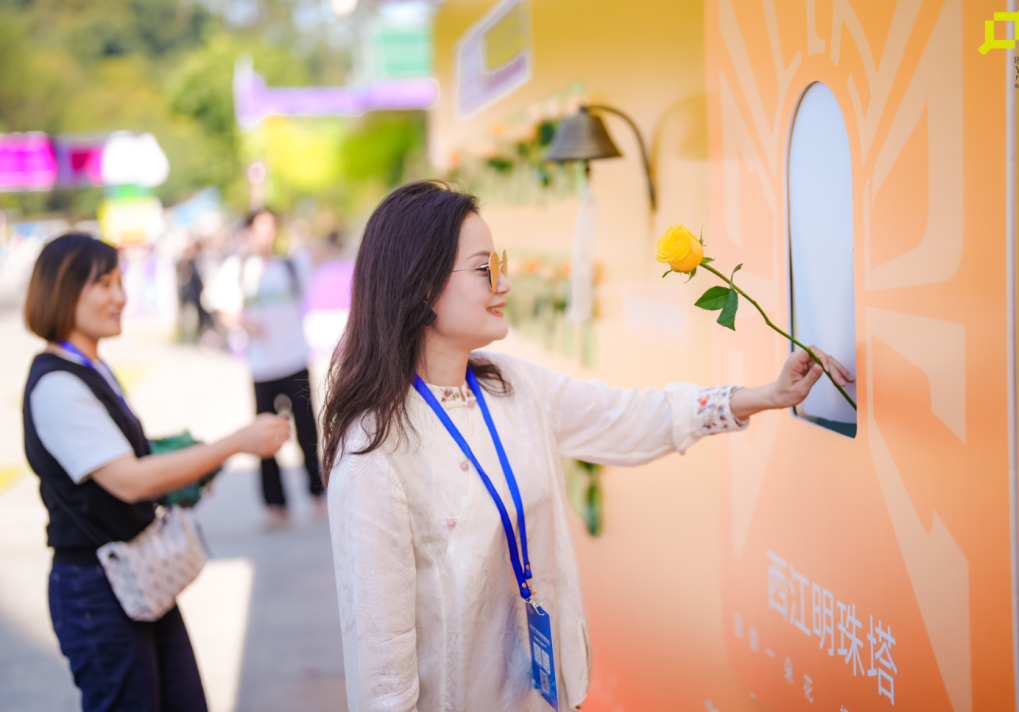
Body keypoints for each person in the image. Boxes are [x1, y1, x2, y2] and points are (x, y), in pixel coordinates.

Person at [320, 182, 854, 711]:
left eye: (500, 264)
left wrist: (762, 396)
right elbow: (383, 674)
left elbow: (628, 418)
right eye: (484, 269)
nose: (504, 284)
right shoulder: (373, 454)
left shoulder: (512, 386)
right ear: (421, 286)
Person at [21, 233, 290, 712]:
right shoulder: (58, 384)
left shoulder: (91, 367)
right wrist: (234, 443)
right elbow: (131, 480)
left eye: (120, 282)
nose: (121, 297)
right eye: (104, 284)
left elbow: (132, 461)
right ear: (63, 291)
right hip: (97, 587)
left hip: (131, 575)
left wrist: (192, 467)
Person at [210, 208, 323, 525]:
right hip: (262, 368)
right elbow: (223, 310)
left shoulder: (291, 265)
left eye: (270, 228)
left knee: (307, 432)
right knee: (266, 438)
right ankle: (275, 504)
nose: (266, 235)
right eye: (260, 229)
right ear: (249, 232)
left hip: (295, 360)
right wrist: (243, 323)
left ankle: (317, 491)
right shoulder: (237, 270)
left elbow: (319, 251)